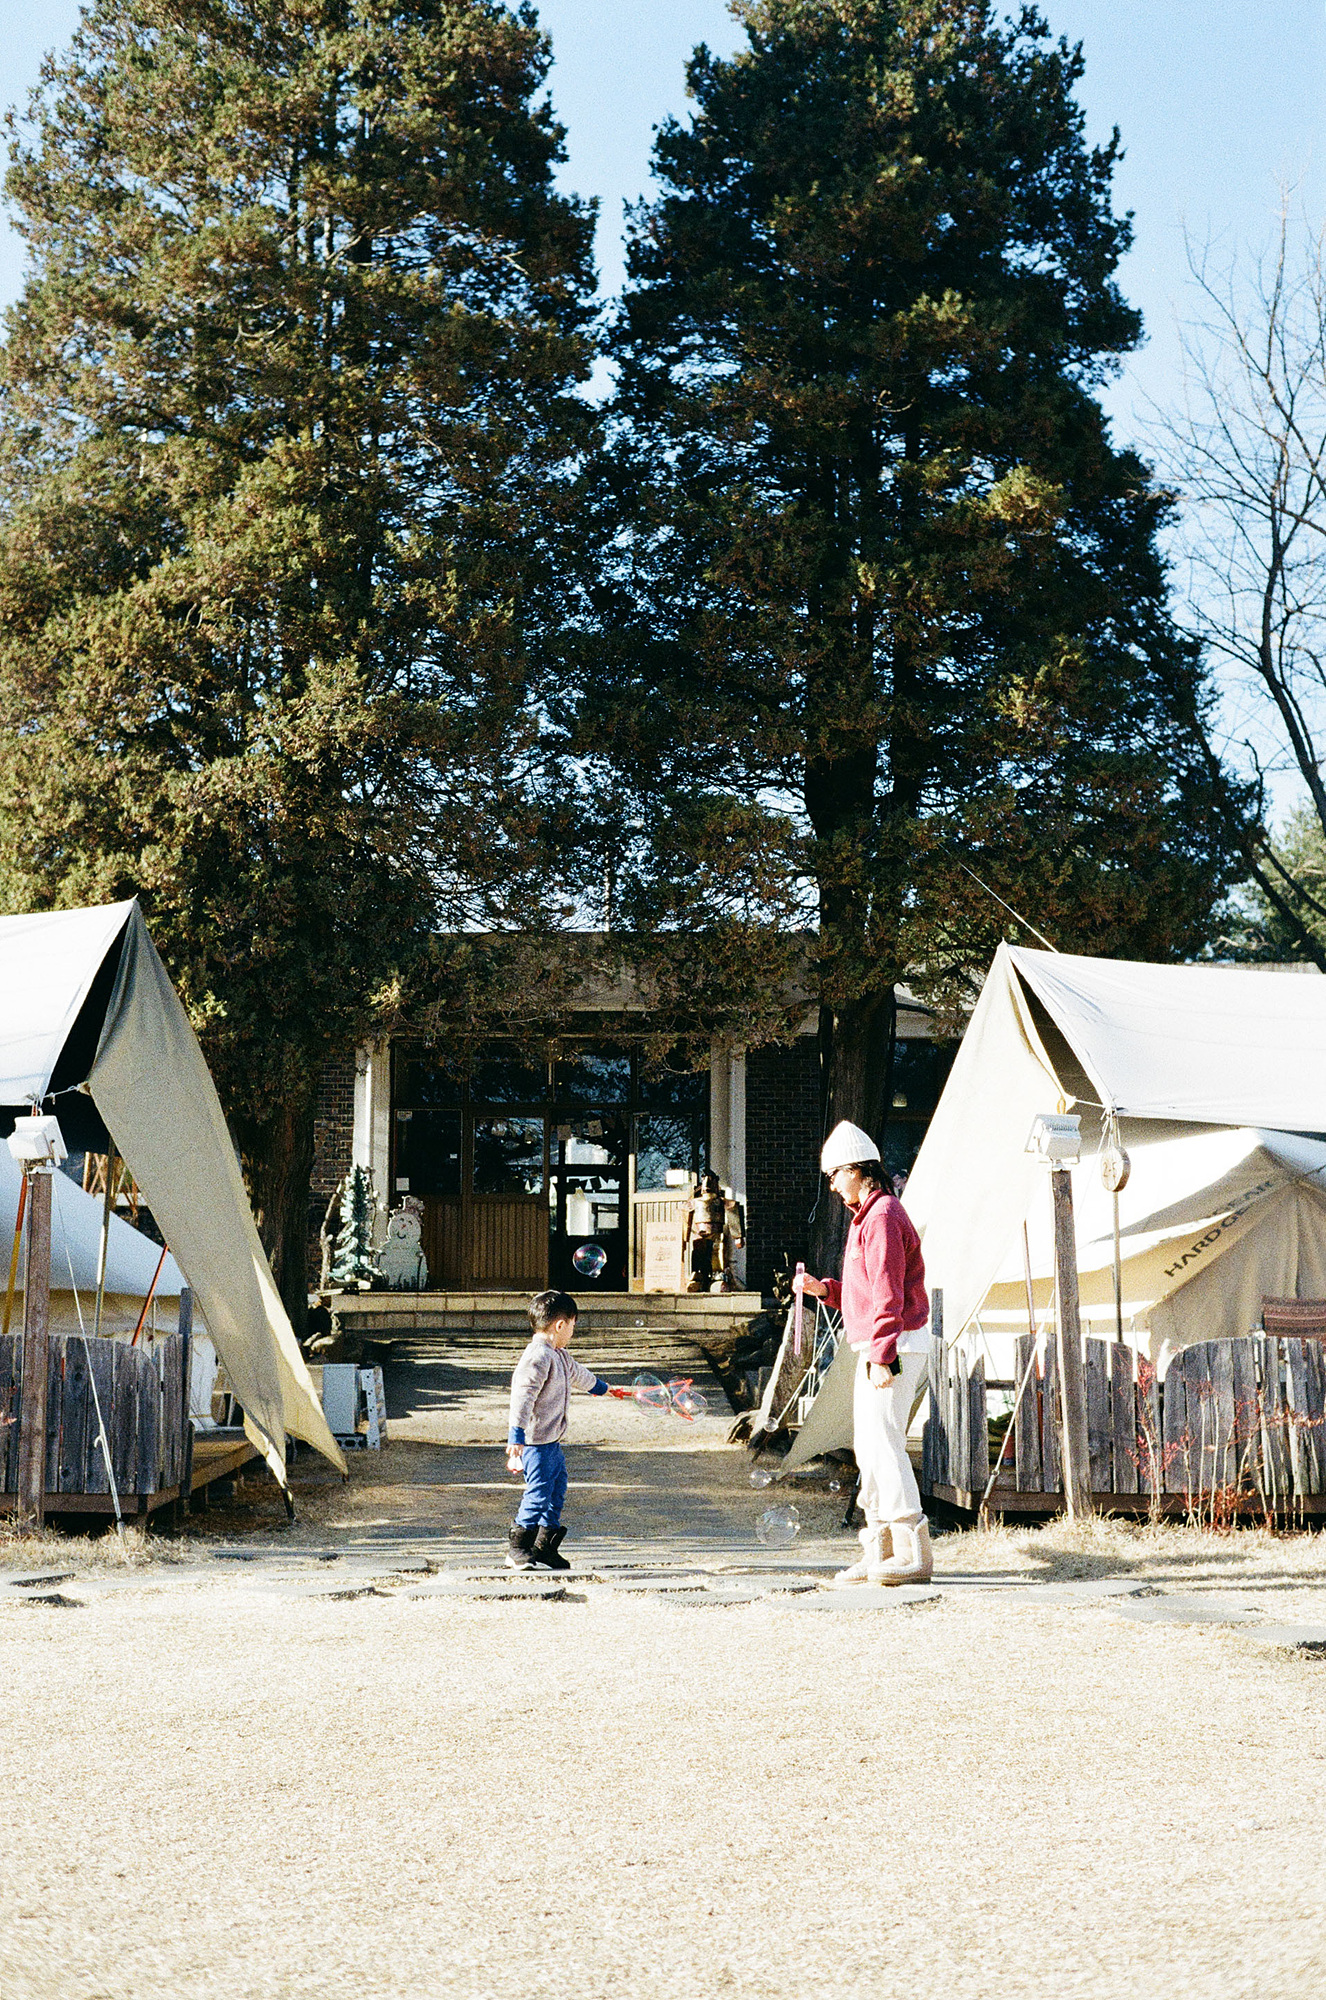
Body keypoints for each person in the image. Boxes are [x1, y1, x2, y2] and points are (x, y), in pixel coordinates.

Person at [800, 1121, 932, 1586]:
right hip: (882, 1343)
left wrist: (881, 1354)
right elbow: (868, 1292)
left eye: (835, 1174)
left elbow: (889, 1294)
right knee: (870, 1447)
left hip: (895, 1344)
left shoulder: (882, 1216)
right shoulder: (869, 1217)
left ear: (857, 1170)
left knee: (884, 1443)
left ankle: (911, 1551)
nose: (833, 1185)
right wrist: (825, 1290)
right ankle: (880, 1550)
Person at [505, 1289, 609, 1572]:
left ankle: (545, 1547)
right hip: (535, 1443)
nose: (573, 1331)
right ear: (560, 1325)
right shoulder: (538, 1357)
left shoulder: (559, 1355)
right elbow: (522, 1397)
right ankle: (517, 1548)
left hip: (551, 1442)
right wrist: (516, 1434)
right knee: (538, 1493)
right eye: (573, 1325)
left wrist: (603, 1388)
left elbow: (579, 1374)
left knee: (556, 1491)